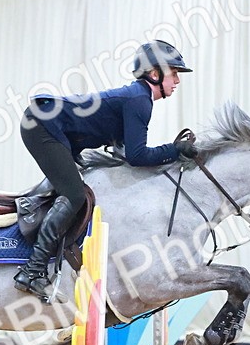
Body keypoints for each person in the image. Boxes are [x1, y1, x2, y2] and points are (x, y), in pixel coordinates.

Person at [13, 40, 199, 301]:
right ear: (154, 73)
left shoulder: (138, 97)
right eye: (174, 72)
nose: (178, 80)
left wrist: (172, 154)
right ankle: (32, 271)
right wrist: (175, 149)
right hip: (42, 124)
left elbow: (124, 155)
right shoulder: (139, 101)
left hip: (46, 123)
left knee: (75, 190)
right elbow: (137, 156)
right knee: (75, 195)